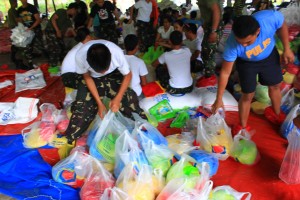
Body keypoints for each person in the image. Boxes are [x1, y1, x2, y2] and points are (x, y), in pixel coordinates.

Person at [212, 11, 294, 134]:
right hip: (246, 63)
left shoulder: (269, 18)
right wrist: (219, 98)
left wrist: (287, 49)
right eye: (241, 42)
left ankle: (277, 115)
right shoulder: (232, 44)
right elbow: (224, 73)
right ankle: (243, 127)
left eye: (248, 42)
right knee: (248, 95)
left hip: (269, 56)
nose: (244, 46)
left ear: (258, 31)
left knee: (275, 86)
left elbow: (282, 25)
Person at [65, 39, 145, 144]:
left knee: (130, 100)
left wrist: (118, 98)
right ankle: (70, 140)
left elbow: (127, 75)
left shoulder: (116, 52)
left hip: (114, 75)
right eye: (100, 71)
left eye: (105, 70)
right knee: (82, 109)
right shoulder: (80, 56)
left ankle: (144, 130)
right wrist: (99, 103)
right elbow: (87, 77)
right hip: (92, 78)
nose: (103, 73)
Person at [152, 30, 193, 95]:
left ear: (170, 42)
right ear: (182, 41)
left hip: (174, 89)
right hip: (189, 87)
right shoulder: (187, 51)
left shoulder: (166, 55)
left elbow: (153, 64)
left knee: (159, 68)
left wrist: (166, 65)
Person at [45, 3, 78, 67]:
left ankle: (63, 64)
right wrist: (57, 31)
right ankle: (53, 65)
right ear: (73, 9)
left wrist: (77, 37)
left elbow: (67, 32)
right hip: (51, 31)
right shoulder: (61, 11)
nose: (75, 13)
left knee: (63, 49)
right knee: (55, 49)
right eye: (75, 11)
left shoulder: (68, 21)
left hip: (58, 34)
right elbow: (53, 19)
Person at [197, 0, 223, 78]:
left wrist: (214, 31)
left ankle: (210, 77)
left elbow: (216, 10)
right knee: (205, 52)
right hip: (210, 27)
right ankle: (208, 75)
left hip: (214, 28)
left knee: (208, 53)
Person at [17, 0, 43, 69]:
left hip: (35, 29)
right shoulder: (19, 10)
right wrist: (22, 29)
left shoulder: (32, 8)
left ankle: (43, 60)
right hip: (27, 31)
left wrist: (31, 28)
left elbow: (38, 20)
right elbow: (19, 21)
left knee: (39, 45)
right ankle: (30, 63)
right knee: (27, 46)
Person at [124, 34, 148, 100]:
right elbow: (144, 83)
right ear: (137, 47)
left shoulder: (120, 60)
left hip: (122, 93)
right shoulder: (140, 62)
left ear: (125, 46)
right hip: (136, 94)